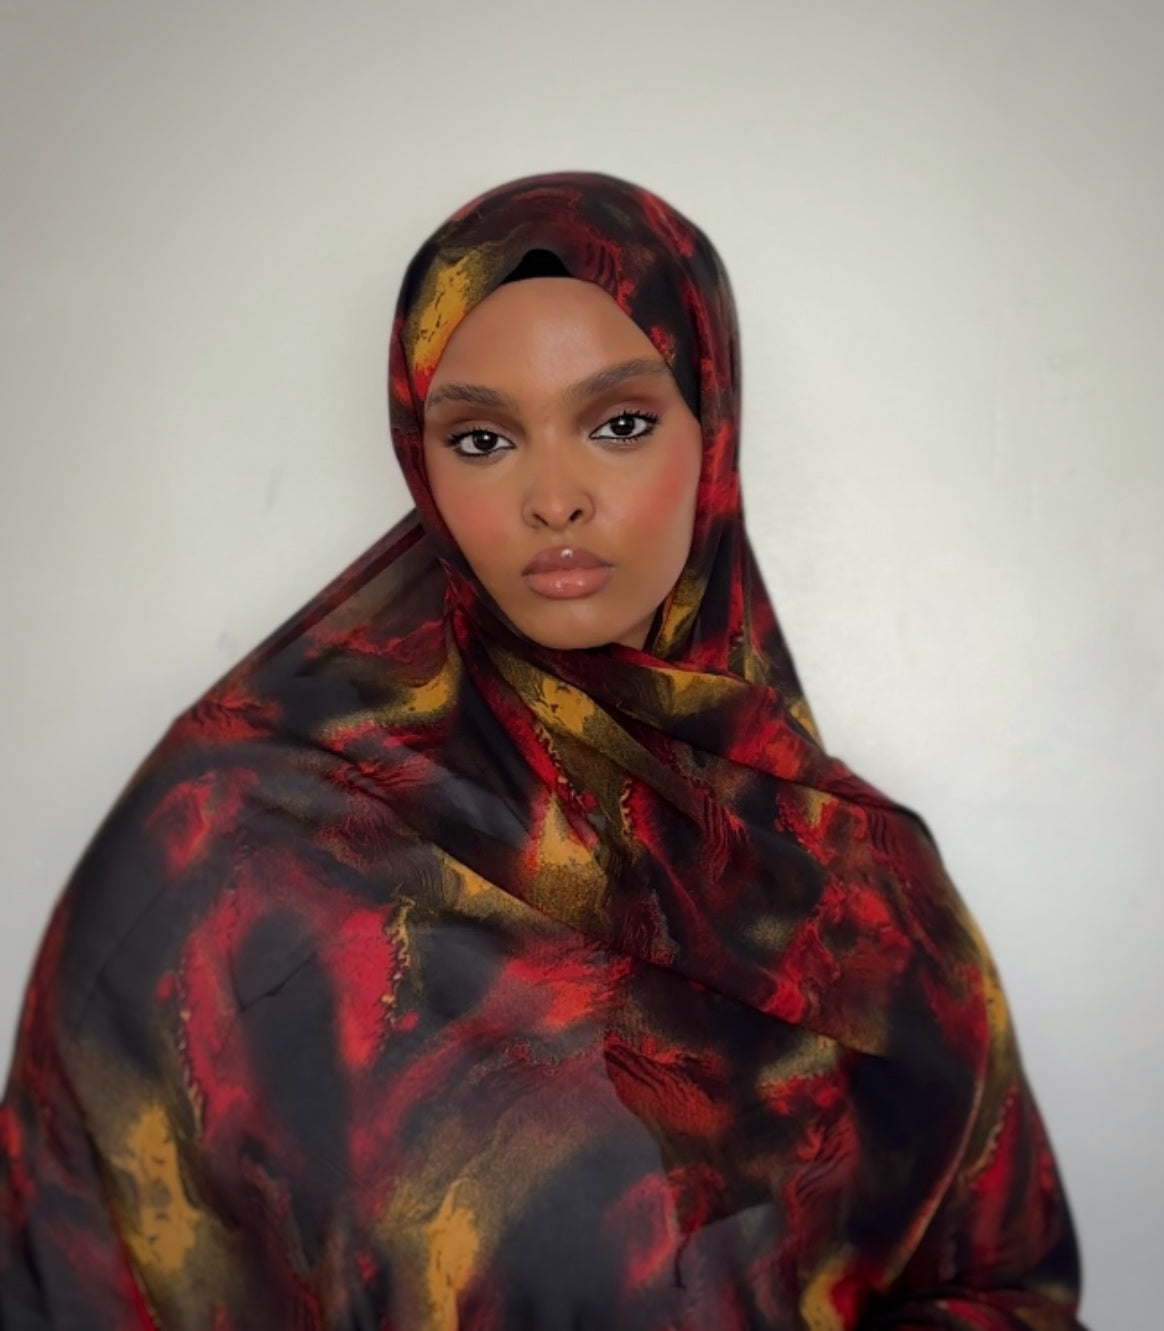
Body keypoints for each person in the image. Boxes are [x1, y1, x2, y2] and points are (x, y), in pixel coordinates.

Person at [0, 173, 1085, 1329]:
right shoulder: (238, 833)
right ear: (421, 461)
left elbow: (1005, 1284)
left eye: (619, 424)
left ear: (713, 431)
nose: (553, 497)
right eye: (483, 438)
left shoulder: (860, 884)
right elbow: (71, 1267)